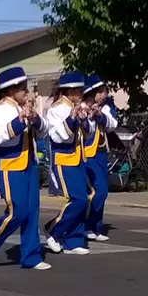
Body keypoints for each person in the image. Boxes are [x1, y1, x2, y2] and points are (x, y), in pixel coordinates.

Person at [0, 67, 51, 271]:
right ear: (10, 90)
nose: (26, 92)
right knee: (17, 210)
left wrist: (35, 119)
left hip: (29, 163)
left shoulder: (28, 106)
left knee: (32, 211)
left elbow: (45, 129)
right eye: (22, 88)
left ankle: (31, 256)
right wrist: (18, 122)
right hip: (9, 164)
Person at [43, 72, 91, 255]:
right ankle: (53, 229)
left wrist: (85, 119)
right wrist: (72, 119)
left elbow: (85, 134)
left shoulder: (76, 107)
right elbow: (58, 136)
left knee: (83, 200)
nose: (81, 93)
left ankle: (74, 240)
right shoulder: (57, 109)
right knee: (78, 199)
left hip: (78, 158)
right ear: (69, 91)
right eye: (78, 90)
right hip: (63, 160)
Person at [82, 75, 117, 242]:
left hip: (102, 153)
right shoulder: (84, 107)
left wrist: (100, 115)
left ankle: (96, 227)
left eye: (105, 92)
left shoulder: (106, 108)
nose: (103, 95)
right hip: (88, 154)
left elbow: (112, 125)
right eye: (100, 92)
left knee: (103, 192)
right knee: (97, 191)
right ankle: (86, 226)